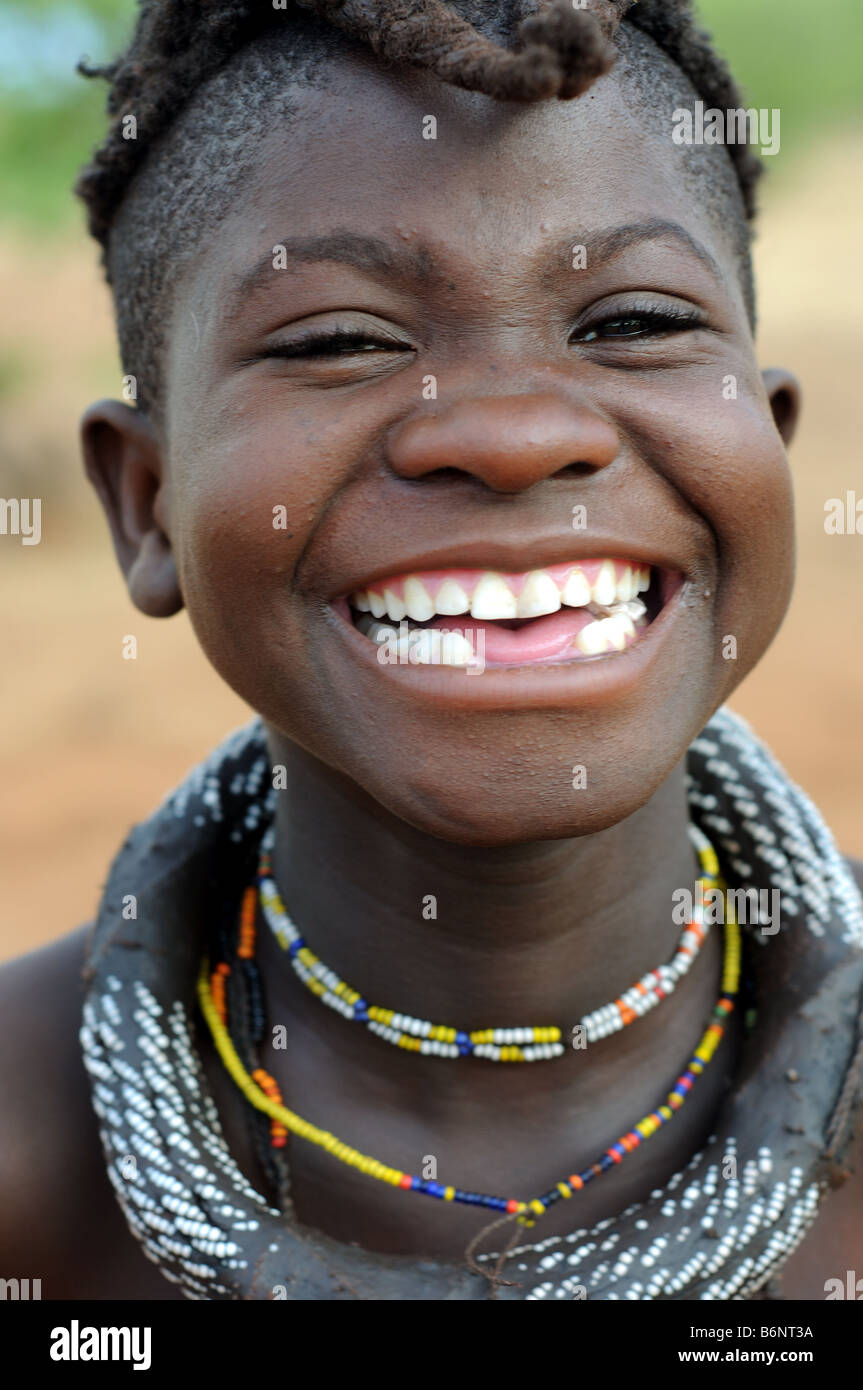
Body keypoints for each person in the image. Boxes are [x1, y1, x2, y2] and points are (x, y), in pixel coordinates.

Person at [1, 0, 861, 1301]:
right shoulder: (28, 1166)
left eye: (630, 323)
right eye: (341, 340)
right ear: (147, 503)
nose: (513, 435)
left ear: (774, 442)